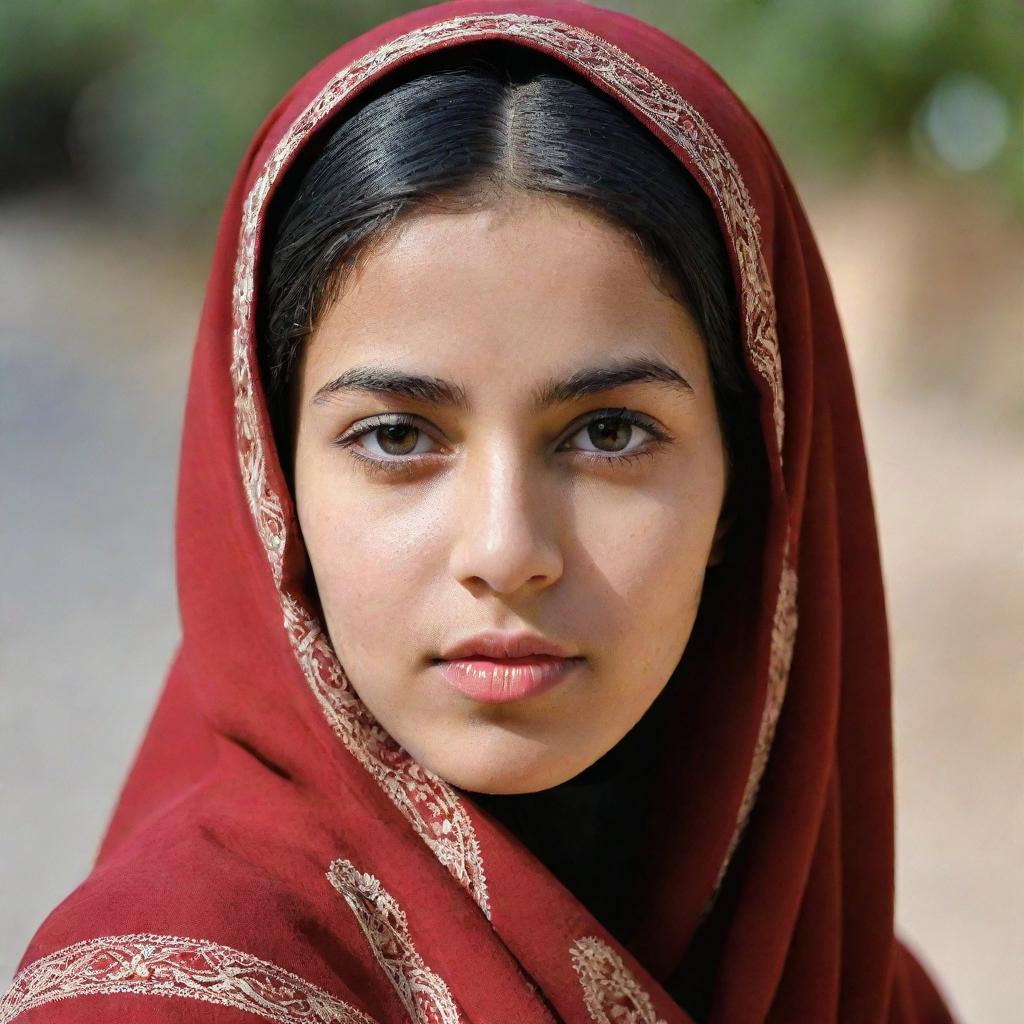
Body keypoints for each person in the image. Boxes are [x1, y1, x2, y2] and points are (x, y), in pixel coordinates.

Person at [0, 1, 956, 1021]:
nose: (506, 550)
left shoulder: (855, 985)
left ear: (749, 486)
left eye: (608, 433)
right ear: (272, 485)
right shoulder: (170, 997)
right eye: (398, 437)